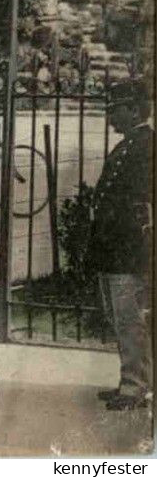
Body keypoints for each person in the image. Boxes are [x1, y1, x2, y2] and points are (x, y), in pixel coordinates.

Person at [89, 77, 152, 411]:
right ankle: (130, 380)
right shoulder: (131, 143)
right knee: (122, 317)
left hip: (129, 247)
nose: (111, 117)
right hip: (115, 246)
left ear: (132, 110)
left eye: (115, 110)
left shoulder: (145, 145)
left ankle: (136, 386)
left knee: (130, 318)